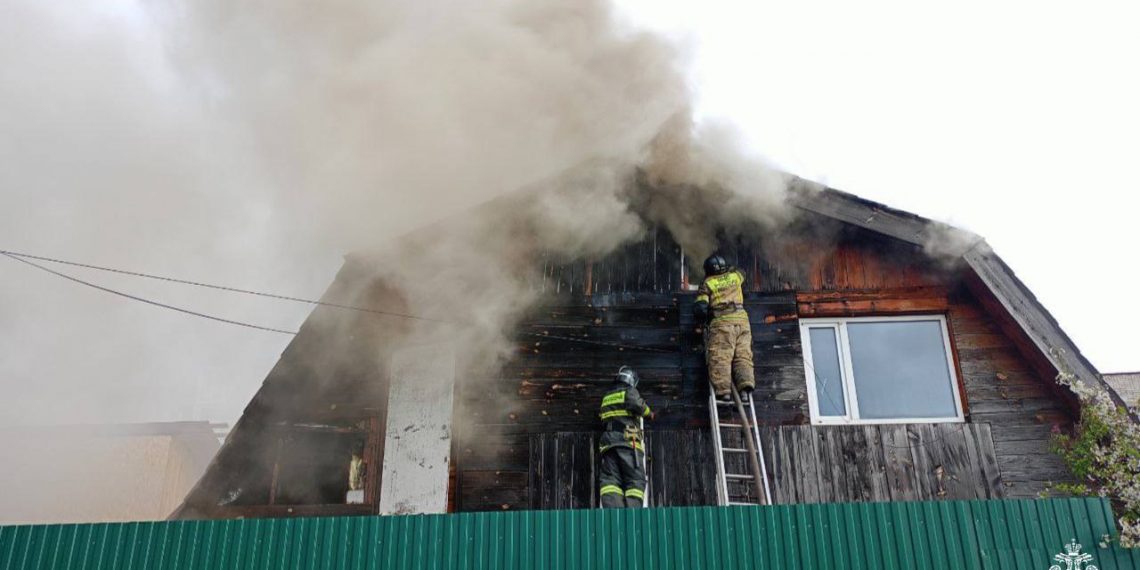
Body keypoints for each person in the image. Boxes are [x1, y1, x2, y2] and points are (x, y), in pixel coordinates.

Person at [694, 254, 755, 402]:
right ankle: (745, 390)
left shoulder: (707, 283)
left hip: (722, 323)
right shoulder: (735, 276)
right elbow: (743, 272)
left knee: (720, 357)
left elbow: (701, 307)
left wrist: (702, 322)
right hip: (742, 322)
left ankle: (724, 392)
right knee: (743, 355)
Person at [597, 366, 654, 508]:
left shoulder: (606, 397)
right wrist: (649, 413)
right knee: (635, 480)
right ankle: (631, 517)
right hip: (628, 441)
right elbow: (637, 405)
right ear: (632, 380)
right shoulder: (629, 391)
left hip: (608, 443)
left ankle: (615, 514)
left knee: (610, 481)